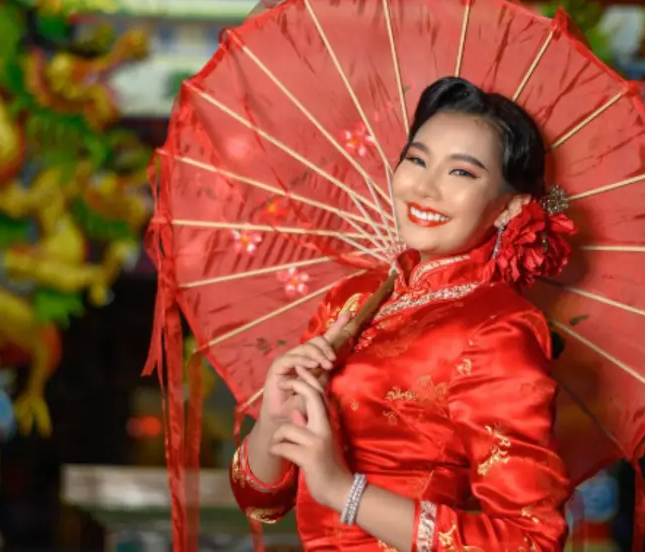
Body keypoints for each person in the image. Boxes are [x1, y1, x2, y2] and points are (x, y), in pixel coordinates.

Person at [228, 76, 577, 551]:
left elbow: (530, 541)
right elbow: (262, 503)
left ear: (510, 207)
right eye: (416, 160)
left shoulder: (497, 326)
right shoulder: (349, 301)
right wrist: (273, 414)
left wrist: (342, 491)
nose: (425, 187)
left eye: (461, 173)